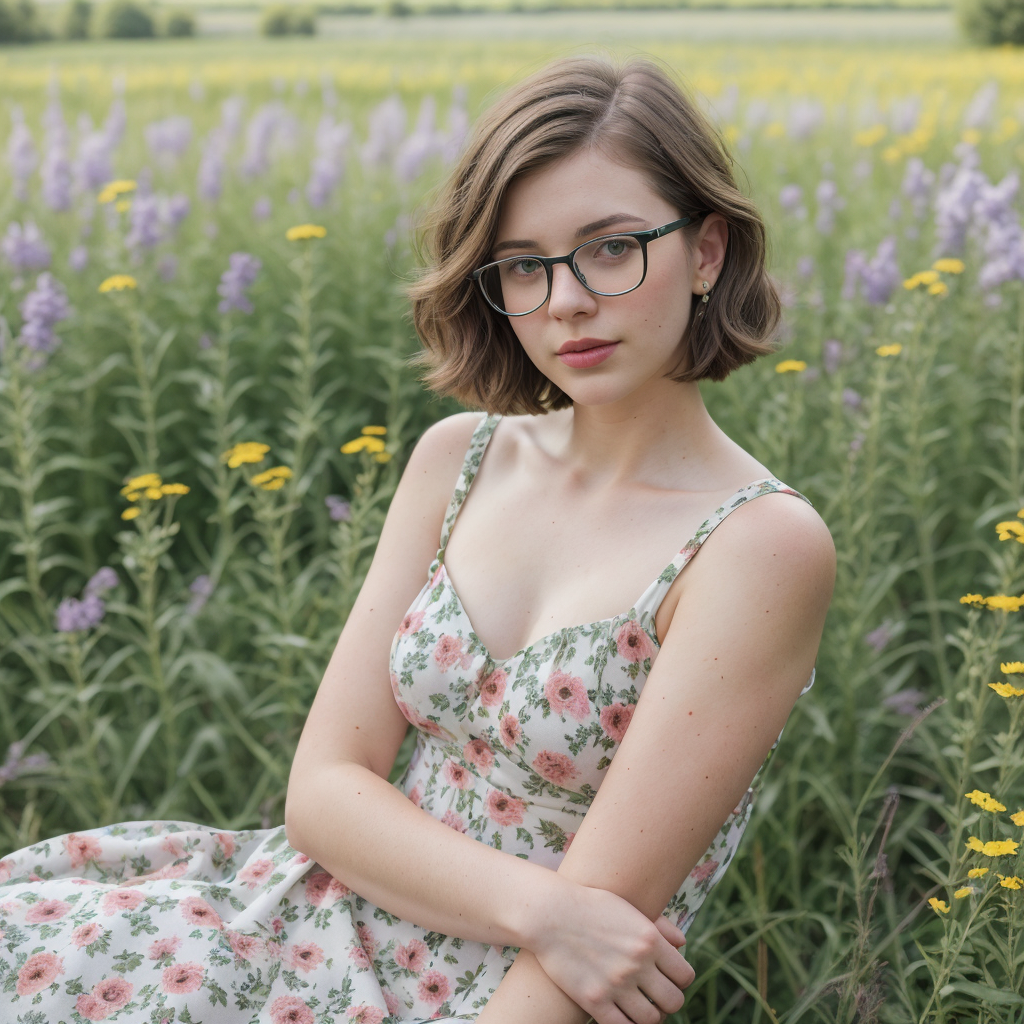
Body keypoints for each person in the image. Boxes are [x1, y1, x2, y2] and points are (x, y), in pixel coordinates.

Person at [0, 55, 835, 1024]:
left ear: (706, 251)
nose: (565, 300)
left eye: (611, 248)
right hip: (295, 911)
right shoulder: (460, 459)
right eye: (525, 264)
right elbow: (320, 791)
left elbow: (594, 950)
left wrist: (563, 926)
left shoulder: (757, 545)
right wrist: (546, 907)